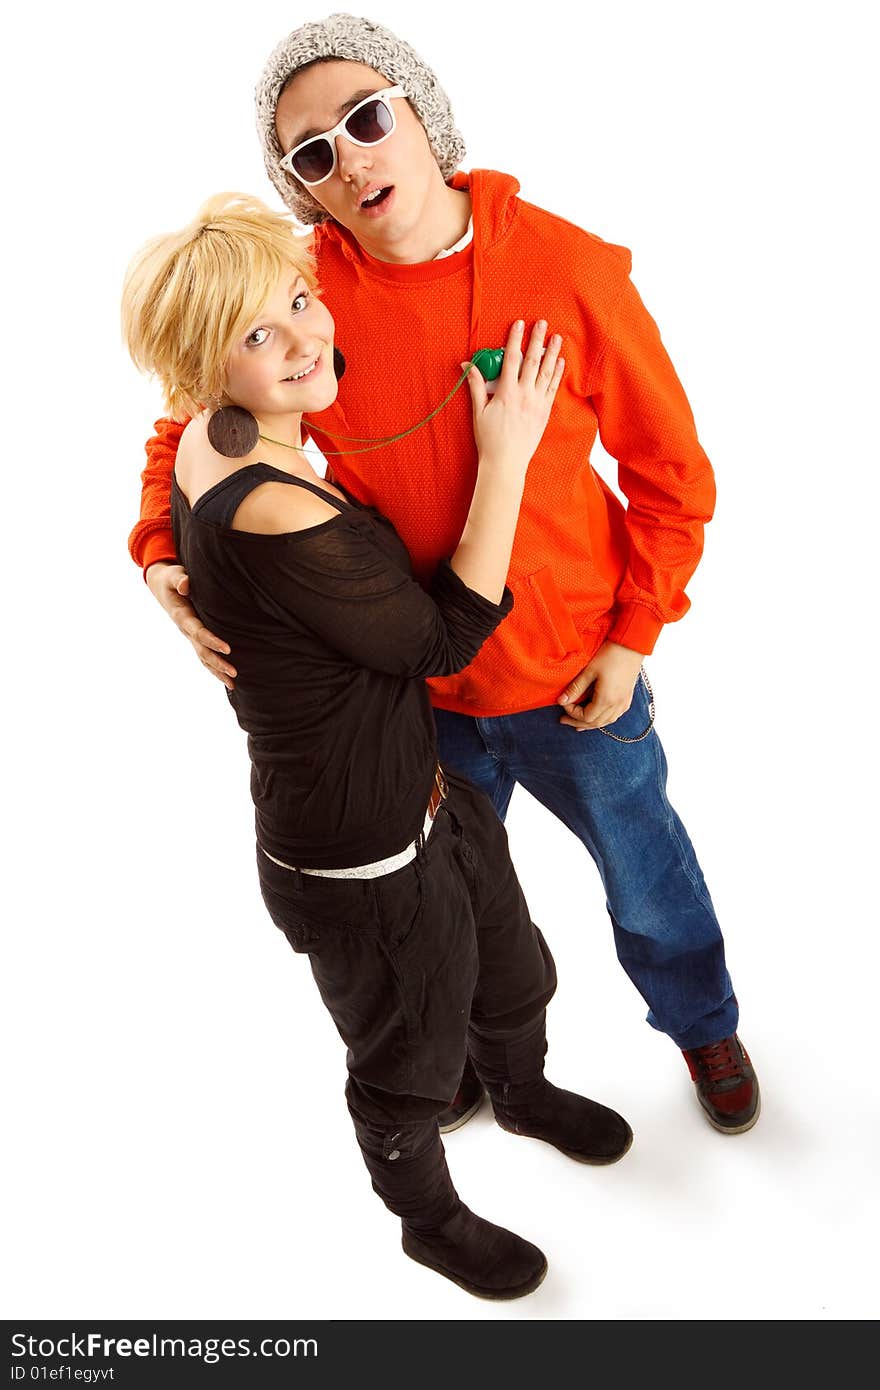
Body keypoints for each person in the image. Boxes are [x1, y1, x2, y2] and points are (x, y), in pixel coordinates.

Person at [130, 14, 759, 1137]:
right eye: (311, 153)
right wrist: (161, 550)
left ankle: (702, 1021)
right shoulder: (300, 295)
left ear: (423, 115)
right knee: (455, 907)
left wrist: (632, 637)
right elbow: (190, 411)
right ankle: (492, 1064)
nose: (351, 158)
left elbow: (671, 469)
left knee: (647, 877)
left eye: (367, 119)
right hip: (418, 688)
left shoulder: (562, 267)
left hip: (575, 679)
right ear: (301, 190)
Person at [121, 193, 633, 1300]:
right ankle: (428, 1215)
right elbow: (442, 635)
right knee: (405, 1063)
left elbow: (166, 463)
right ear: (207, 374)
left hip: (426, 791)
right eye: (260, 335)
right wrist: (507, 452)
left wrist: (154, 553)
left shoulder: (220, 433)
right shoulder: (266, 505)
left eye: (300, 300)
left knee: (511, 967)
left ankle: (524, 1089)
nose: (308, 338)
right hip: (355, 855)